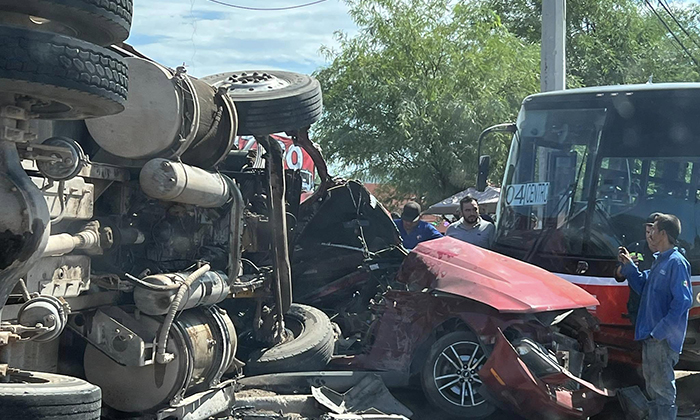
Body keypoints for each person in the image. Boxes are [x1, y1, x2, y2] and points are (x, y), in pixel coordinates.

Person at [618, 213, 693, 420]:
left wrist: (660, 332)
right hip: (651, 336)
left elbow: (683, 301)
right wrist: (630, 268)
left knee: (662, 390)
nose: (649, 233)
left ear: (663, 233)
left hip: (661, 338)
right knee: (653, 387)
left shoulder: (676, 263)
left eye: (654, 229)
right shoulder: (660, 260)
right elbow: (644, 286)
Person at [614, 213, 661, 327]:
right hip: (638, 308)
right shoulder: (635, 248)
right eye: (647, 232)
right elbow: (618, 276)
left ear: (662, 233)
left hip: (659, 309)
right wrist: (626, 266)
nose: (650, 236)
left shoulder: (671, 254)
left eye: (653, 232)